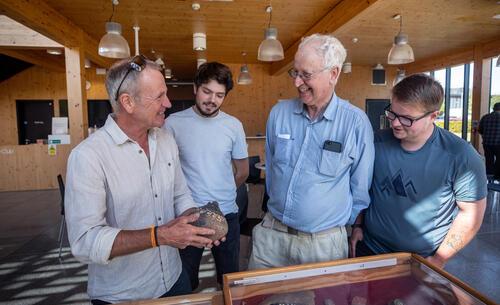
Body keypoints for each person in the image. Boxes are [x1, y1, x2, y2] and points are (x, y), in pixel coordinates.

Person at [65, 55, 221, 304]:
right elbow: (85, 242)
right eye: (159, 96)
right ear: (127, 102)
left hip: (173, 278)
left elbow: (181, 194)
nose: (168, 103)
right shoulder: (88, 156)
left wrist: (197, 222)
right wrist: (159, 236)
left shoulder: (165, 140)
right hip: (122, 294)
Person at [248, 33, 375, 269]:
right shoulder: (279, 114)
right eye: (295, 72)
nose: (297, 82)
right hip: (271, 236)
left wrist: (331, 226)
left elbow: (360, 189)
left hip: (323, 246)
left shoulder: (355, 123)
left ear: (333, 74)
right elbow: (273, 170)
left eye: (306, 75)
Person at [350, 74, 487, 268]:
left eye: (406, 119)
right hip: (370, 249)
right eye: (392, 113)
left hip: (419, 260)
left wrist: (440, 258)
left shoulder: (461, 156)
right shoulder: (376, 141)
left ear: (433, 116)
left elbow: (471, 214)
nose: (395, 123)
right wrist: (357, 225)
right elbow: (362, 187)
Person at [164, 62, 249, 289]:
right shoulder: (172, 124)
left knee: (230, 281)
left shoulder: (233, 126)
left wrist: (222, 191)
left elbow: (242, 171)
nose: (212, 100)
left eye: (219, 95)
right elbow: (166, 172)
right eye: (207, 91)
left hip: (227, 214)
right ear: (195, 88)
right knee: (185, 279)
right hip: (189, 216)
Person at [478, 102, 500, 179]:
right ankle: (497, 176)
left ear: (494, 109)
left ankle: (489, 176)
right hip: (498, 143)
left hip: (487, 143)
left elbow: (480, 130)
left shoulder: (485, 117)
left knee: (489, 160)